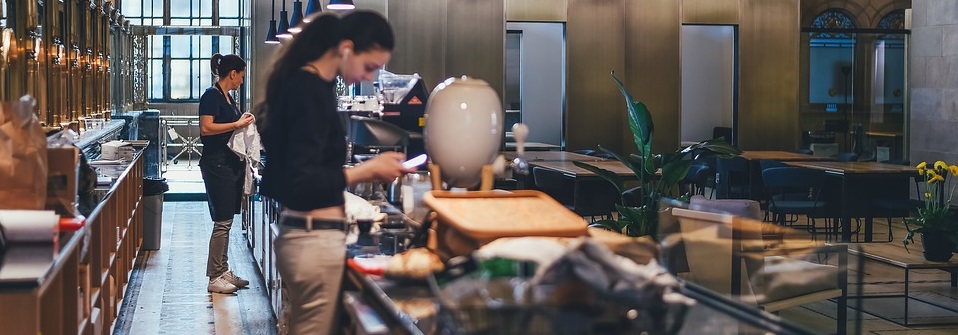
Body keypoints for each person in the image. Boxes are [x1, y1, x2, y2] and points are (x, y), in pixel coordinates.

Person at [256, 11, 408, 335]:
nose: (369, 77)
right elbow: (303, 180)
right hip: (312, 244)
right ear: (347, 48)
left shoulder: (311, 84)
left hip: (308, 239)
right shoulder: (309, 89)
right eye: (370, 67)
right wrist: (365, 170)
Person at [199, 53, 254, 294]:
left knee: (227, 221)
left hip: (228, 164)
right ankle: (214, 276)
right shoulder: (211, 96)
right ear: (233, 73)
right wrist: (236, 124)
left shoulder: (227, 97)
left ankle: (223, 269)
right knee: (221, 221)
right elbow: (206, 128)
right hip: (216, 165)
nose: (242, 80)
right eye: (241, 76)